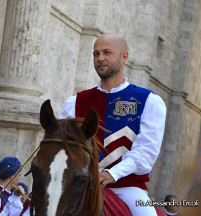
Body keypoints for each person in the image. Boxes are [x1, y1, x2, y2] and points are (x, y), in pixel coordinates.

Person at [60, 33, 167, 216]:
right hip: (79, 186)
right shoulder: (75, 102)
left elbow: (146, 152)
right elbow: (62, 146)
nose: (100, 58)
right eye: (96, 54)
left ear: (124, 56)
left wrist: (112, 174)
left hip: (127, 189)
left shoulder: (148, 101)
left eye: (107, 52)